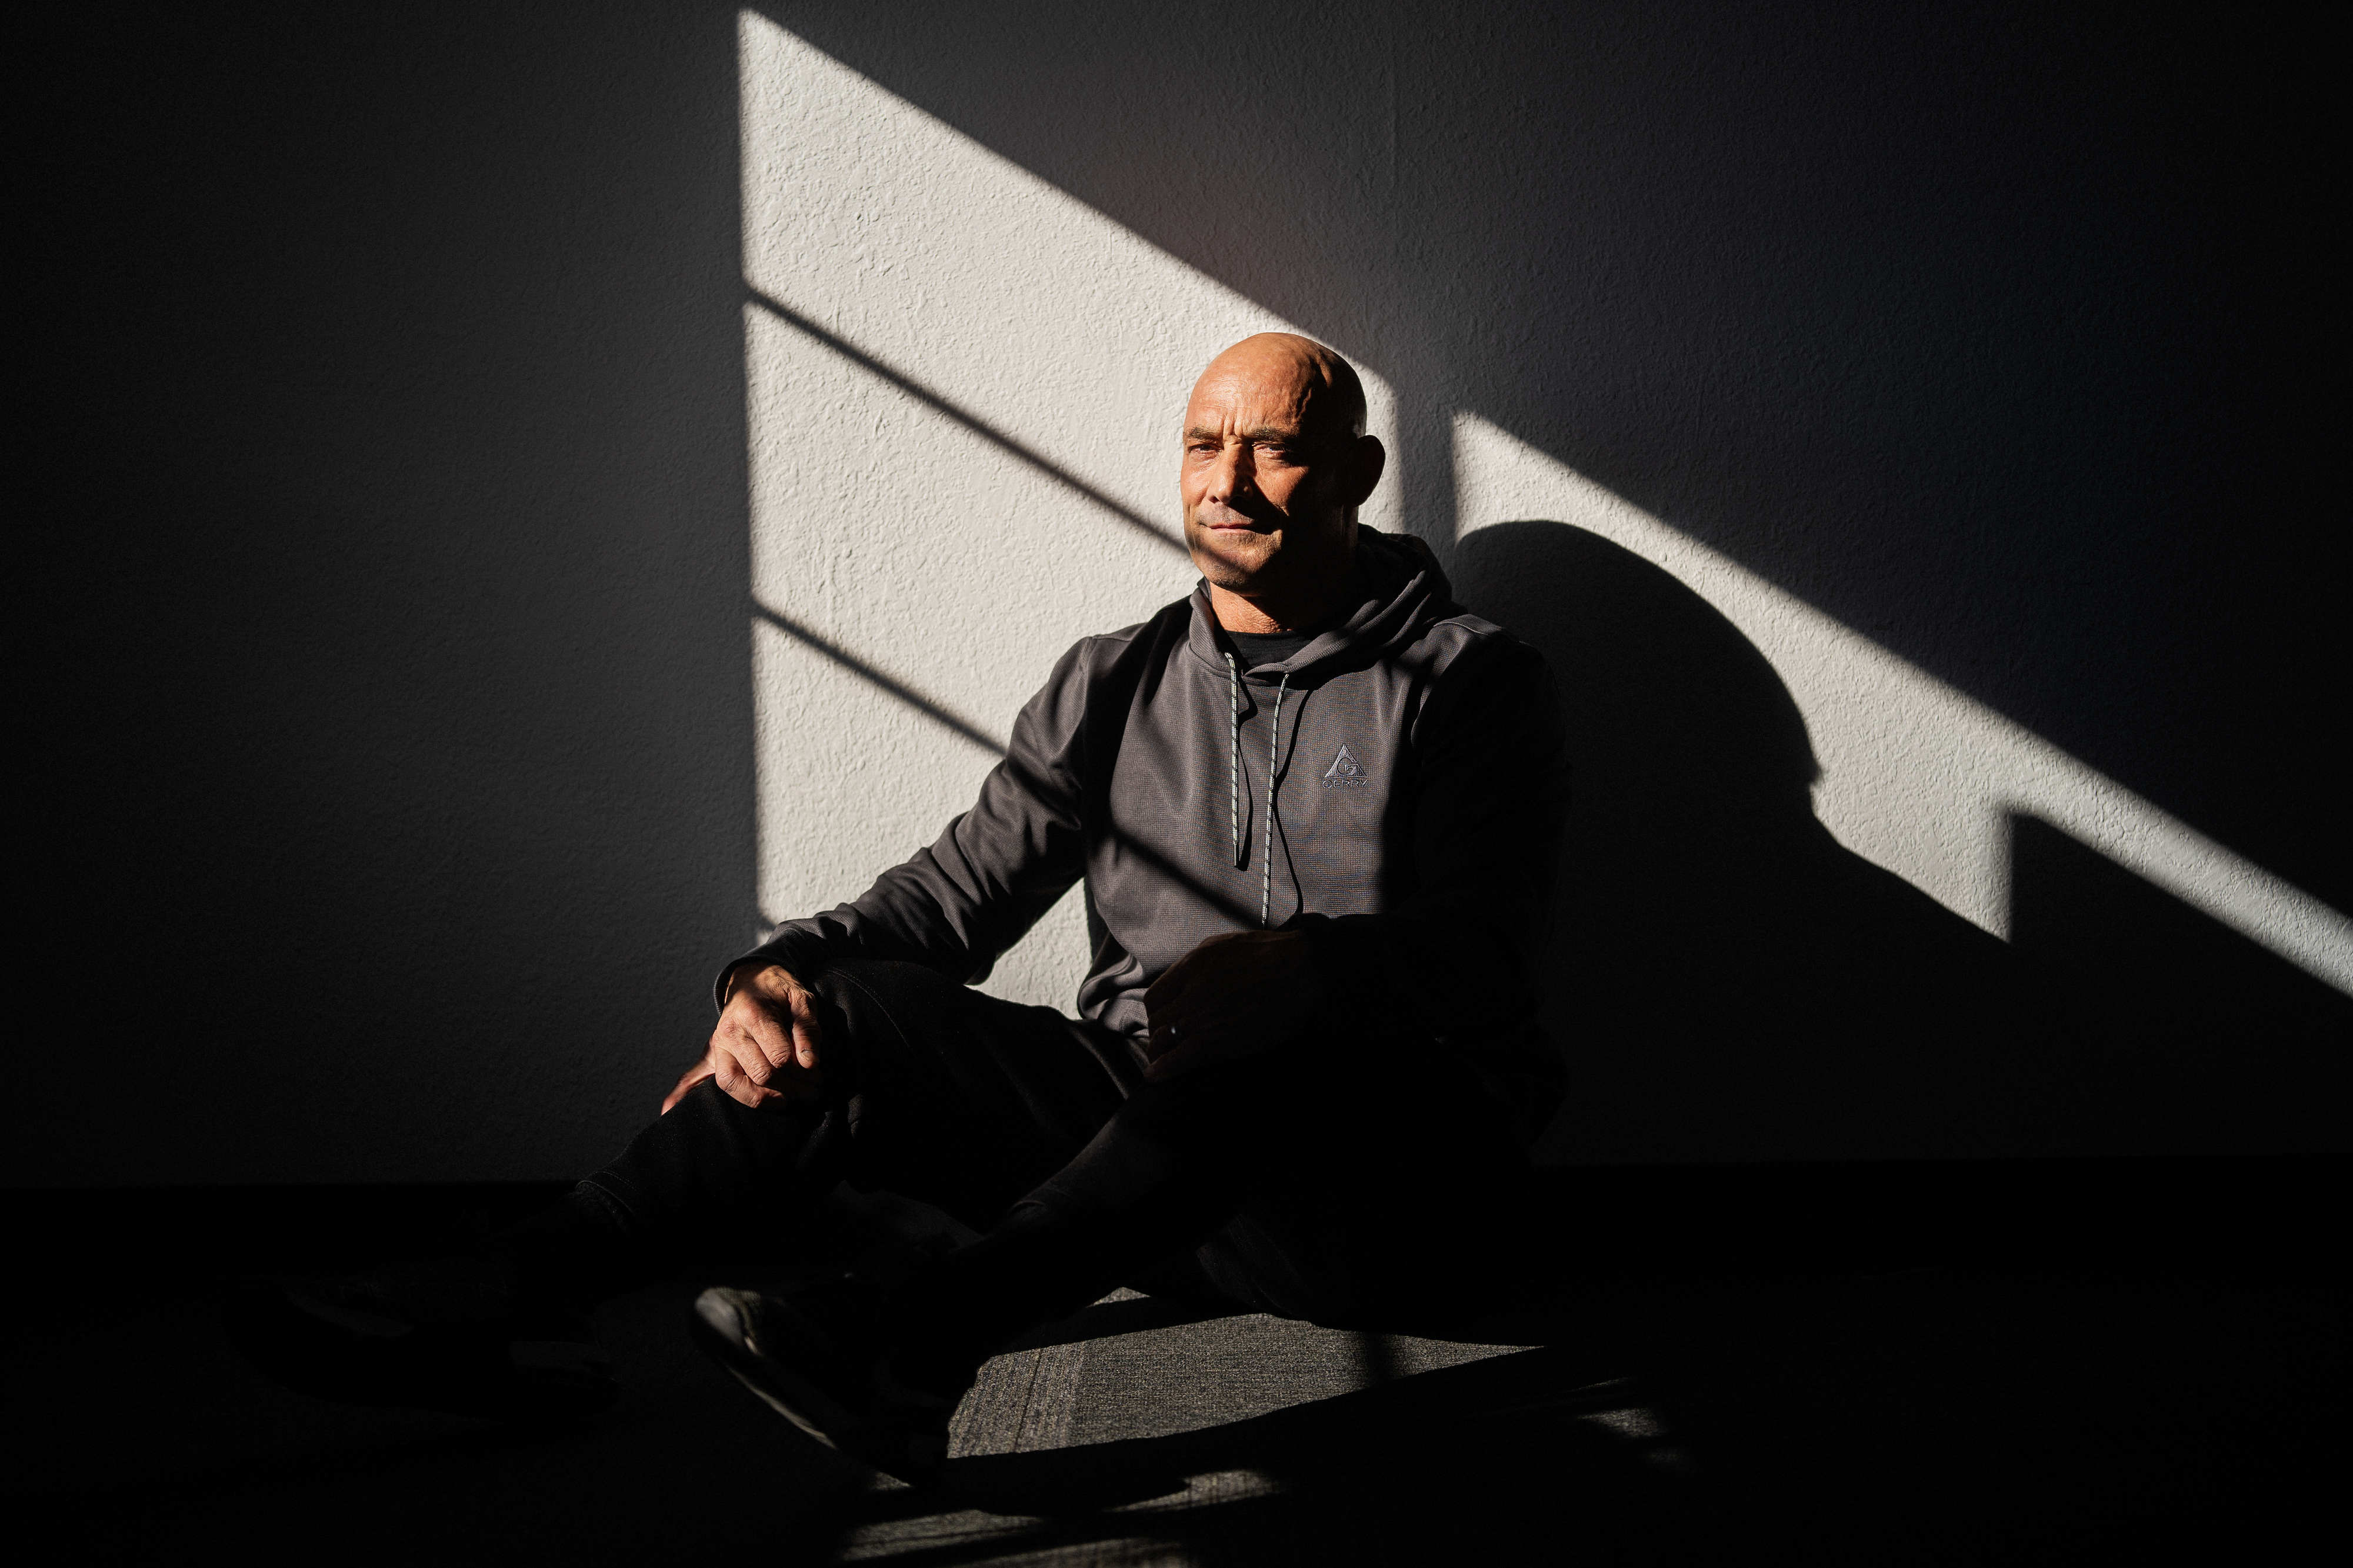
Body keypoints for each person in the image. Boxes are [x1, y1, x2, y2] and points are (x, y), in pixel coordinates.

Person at [230, 333, 1569, 1487]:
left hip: (1382, 1194)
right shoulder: (1114, 681)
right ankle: (512, 1291)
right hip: (1150, 1174)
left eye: (1272, 447)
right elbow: (949, 897)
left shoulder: (1468, 682)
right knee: (853, 1005)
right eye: (1200, 443)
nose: (1225, 482)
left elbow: (1489, 950)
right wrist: (767, 978)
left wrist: (1318, 975)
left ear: (1353, 474)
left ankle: (908, 1343)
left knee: (1259, 1048)